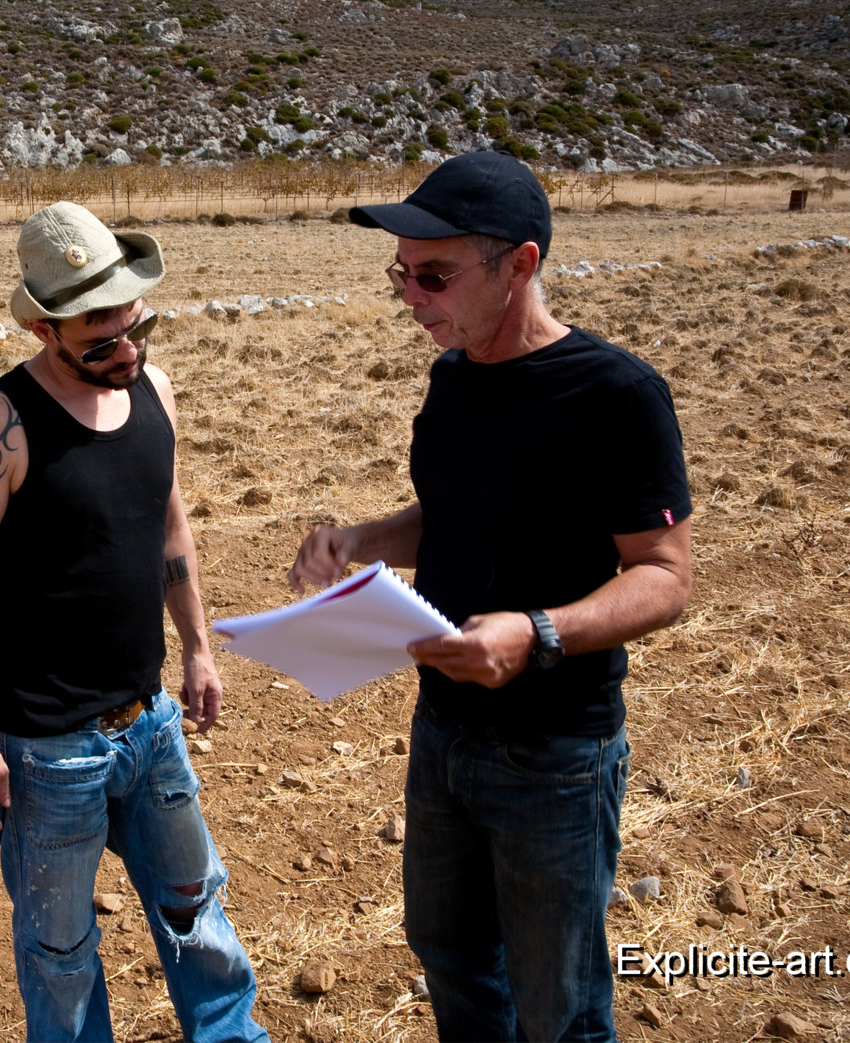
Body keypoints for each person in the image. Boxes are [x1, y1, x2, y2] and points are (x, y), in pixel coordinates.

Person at [287, 152, 692, 1042]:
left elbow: (666, 576)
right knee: (451, 954)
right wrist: (363, 541)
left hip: (555, 753)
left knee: (559, 1004)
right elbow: (455, 516)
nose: (410, 296)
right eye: (401, 273)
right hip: (443, 733)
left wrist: (538, 633)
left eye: (433, 274)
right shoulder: (456, 376)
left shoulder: (617, 395)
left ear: (521, 264)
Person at [0, 204, 269, 1043]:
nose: (126, 348)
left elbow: (170, 528)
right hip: (47, 750)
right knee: (62, 952)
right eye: (99, 335)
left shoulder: (154, 391)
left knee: (196, 912)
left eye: (135, 322)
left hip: (150, 723)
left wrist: (198, 649)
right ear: (45, 328)